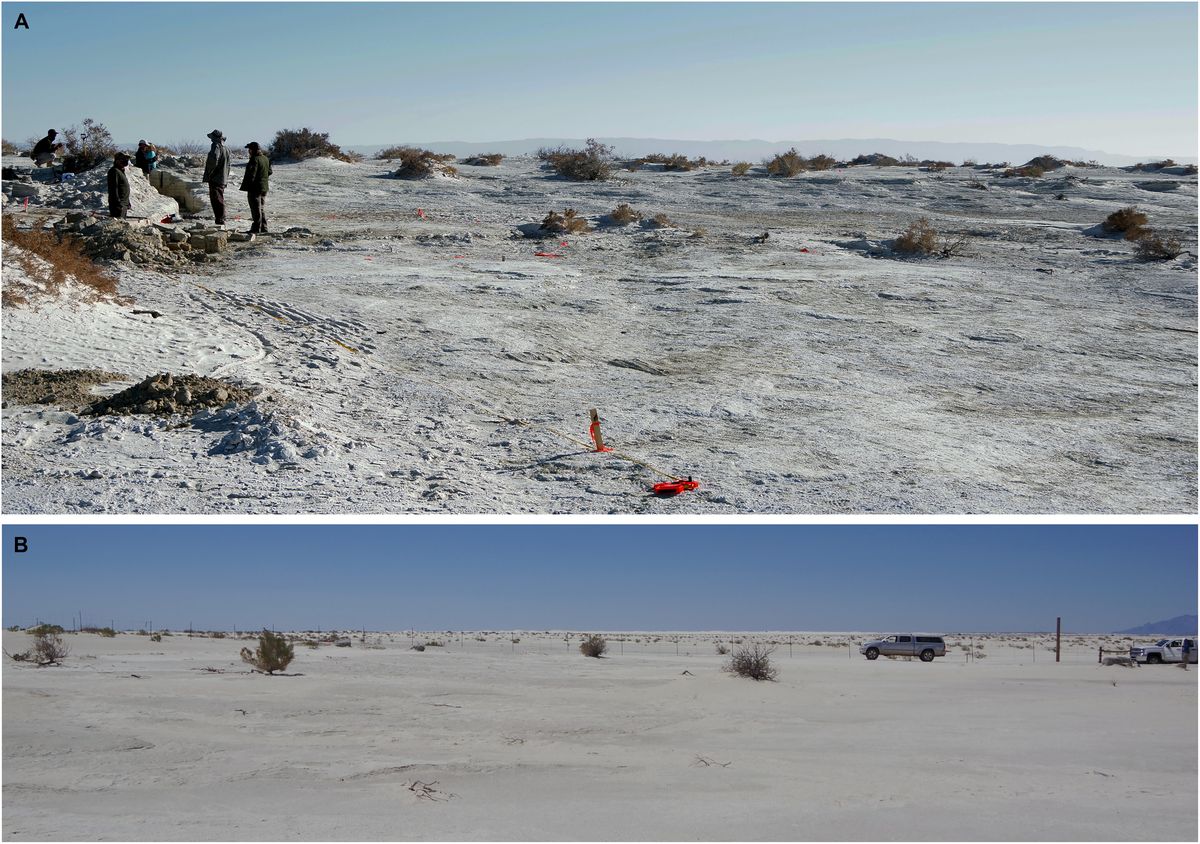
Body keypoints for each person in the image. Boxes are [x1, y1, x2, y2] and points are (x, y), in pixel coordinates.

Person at [239, 141, 272, 234]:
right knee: (261, 208)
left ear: (252, 150)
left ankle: (256, 228)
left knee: (255, 209)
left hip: (255, 188)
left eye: (249, 149)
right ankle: (264, 227)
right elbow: (270, 172)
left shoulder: (254, 159)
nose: (248, 151)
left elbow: (251, 174)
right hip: (264, 187)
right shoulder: (265, 158)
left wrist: (248, 185)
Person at [202, 129, 230, 228]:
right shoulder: (226, 148)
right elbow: (228, 165)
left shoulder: (216, 146)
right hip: (223, 178)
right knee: (219, 198)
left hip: (216, 178)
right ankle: (221, 218)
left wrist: (209, 174)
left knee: (216, 199)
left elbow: (213, 160)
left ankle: (220, 219)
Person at [107, 152, 132, 218]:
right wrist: (118, 204)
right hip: (118, 206)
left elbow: (123, 188)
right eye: (123, 159)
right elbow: (113, 189)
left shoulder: (120, 171)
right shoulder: (114, 171)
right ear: (117, 160)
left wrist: (127, 202)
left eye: (126, 159)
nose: (125, 161)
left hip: (123, 205)